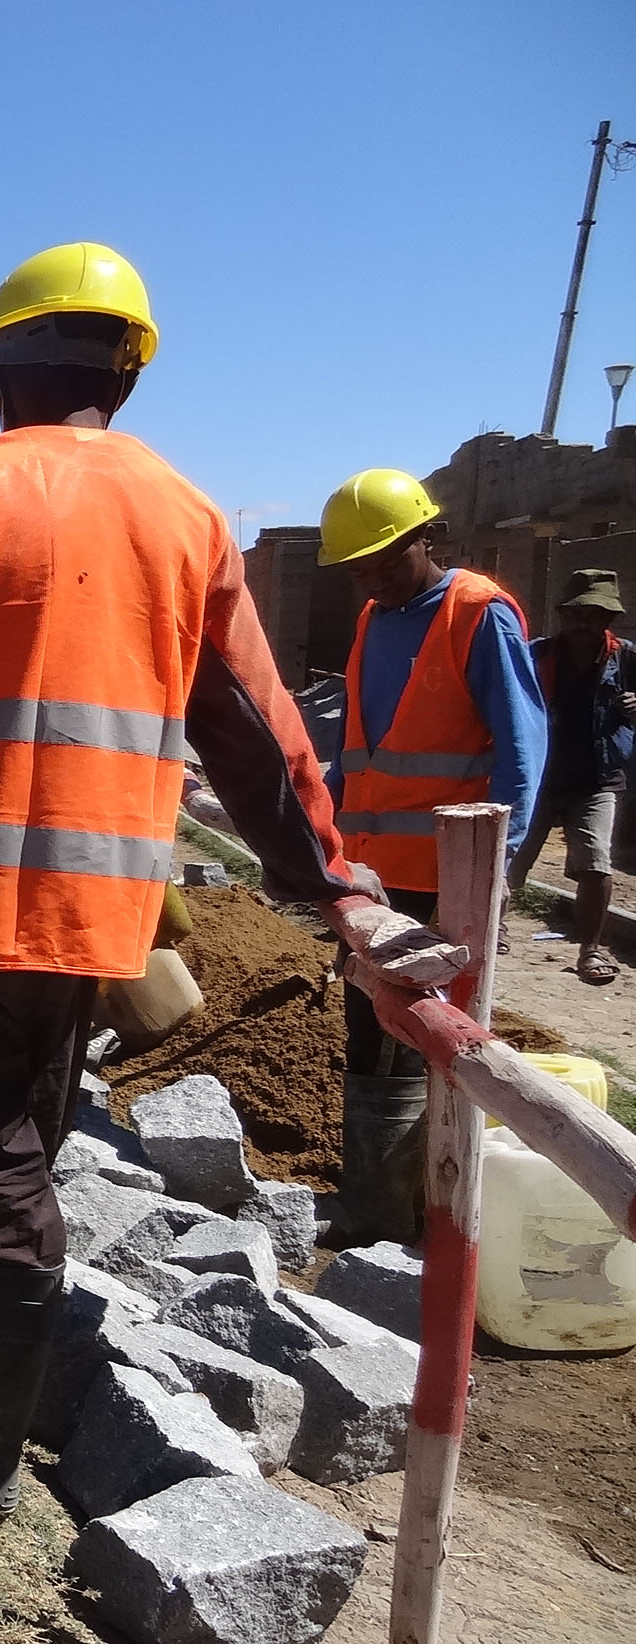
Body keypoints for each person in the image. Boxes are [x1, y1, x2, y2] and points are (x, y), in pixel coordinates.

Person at [0, 242, 463, 1610]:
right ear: (128, 368)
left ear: (0, 377)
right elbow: (264, 737)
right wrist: (334, 882)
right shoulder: (189, 515)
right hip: (91, 930)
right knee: (18, 1150)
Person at [317, 466, 544, 1234]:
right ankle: (379, 1204)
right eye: (359, 572)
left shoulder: (478, 615)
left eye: (386, 561)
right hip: (372, 876)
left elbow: (520, 750)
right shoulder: (375, 619)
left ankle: (397, 1215)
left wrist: (495, 869)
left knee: (425, 1040)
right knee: (372, 1031)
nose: (373, 581)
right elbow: (366, 749)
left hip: (445, 882)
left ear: (427, 536)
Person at [510, 567, 630, 985]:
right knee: (509, 858)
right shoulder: (536, 656)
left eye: (593, 616)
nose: (583, 625)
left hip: (596, 780)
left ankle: (591, 951)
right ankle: (495, 930)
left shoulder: (627, 659)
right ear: (563, 616)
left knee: (596, 864)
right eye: (576, 615)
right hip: (537, 777)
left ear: (608, 621)